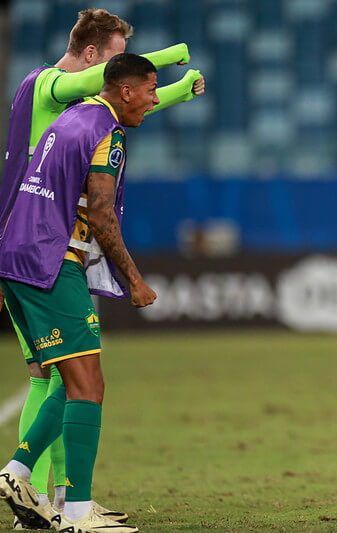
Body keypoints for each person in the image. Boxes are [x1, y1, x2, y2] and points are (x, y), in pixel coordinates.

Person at [0, 9, 203, 529]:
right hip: (47, 260)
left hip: (20, 256)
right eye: (151, 90)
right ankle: (76, 512)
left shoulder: (74, 117)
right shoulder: (92, 124)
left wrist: (177, 87)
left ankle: (20, 473)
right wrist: (134, 280)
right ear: (125, 89)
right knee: (85, 383)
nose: (156, 99)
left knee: (69, 377)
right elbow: (102, 215)